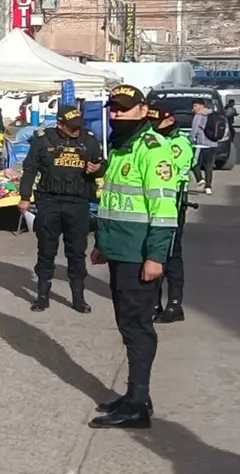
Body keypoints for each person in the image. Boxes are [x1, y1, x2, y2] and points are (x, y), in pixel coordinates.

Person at [90, 85, 179, 429]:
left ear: (143, 111)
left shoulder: (152, 150)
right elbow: (111, 203)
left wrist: (156, 257)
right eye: (113, 108)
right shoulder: (122, 149)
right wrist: (102, 243)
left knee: (137, 328)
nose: (116, 114)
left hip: (140, 253)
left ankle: (138, 406)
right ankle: (135, 396)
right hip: (120, 250)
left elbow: (164, 210)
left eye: (124, 109)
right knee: (127, 325)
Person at [18, 105, 104, 314]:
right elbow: (29, 169)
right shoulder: (43, 140)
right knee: (46, 250)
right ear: (59, 124)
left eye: (78, 127)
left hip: (77, 203)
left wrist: (98, 168)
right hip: (50, 201)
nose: (76, 131)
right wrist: (25, 197)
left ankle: (78, 297)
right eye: (71, 128)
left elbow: (102, 164)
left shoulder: (89, 139)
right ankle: (42, 296)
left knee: (76, 252)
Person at [148, 105, 194, 324]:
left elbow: (169, 172)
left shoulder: (179, 144)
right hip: (155, 203)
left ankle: (175, 304)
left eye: (158, 123)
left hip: (173, 203)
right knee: (153, 250)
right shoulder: (156, 140)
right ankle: (154, 301)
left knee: (171, 255)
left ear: (170, 120)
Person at [188, 99, 216, 195]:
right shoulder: (213, 115)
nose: (193, 109)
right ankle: (208, 187)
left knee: (194, 163)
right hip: (213, 144)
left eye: (195, 106)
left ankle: (200, 180)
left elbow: (194, 131)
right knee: (209, 166)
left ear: (201, 105)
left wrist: (190, 141)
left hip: (201, 144)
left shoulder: (199, 116)